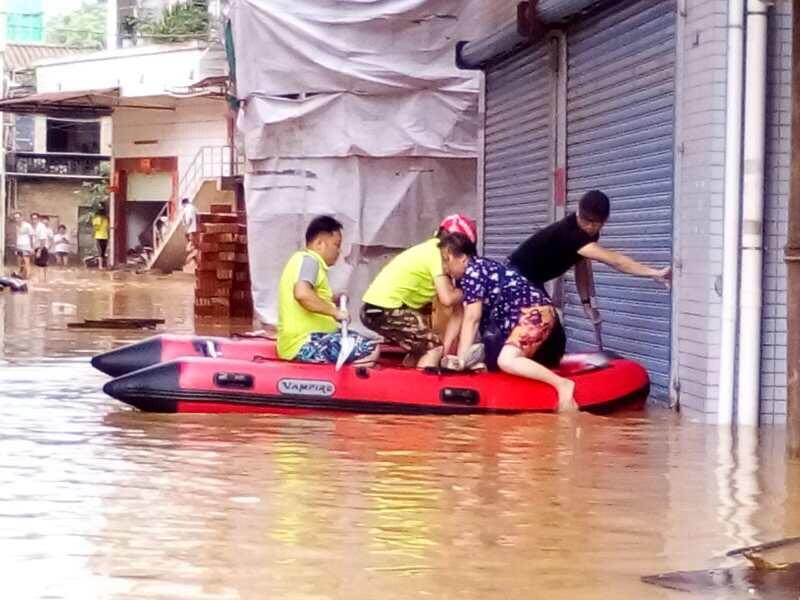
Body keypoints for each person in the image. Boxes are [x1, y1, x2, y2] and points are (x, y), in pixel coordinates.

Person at [507, 189, 673, 365]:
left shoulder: (588, 234)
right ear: (578, 211)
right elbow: (615, 260)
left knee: (552, 336)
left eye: (596, 223)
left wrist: (586, 302)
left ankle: (537, 371)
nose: (590, 227)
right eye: (586, 220)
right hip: (516, 279)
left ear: (605, 220)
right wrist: (654, 272)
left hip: (531, 281)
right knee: (550, 335)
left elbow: (582, 266)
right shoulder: (571, 234)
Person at [439, 232, 577, 412]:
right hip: (522, 320)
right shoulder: (475, 271)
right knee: (482, 357)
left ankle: (562, 384)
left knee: (506, 360)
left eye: (446, 260)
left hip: (535, 314)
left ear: (463, 258)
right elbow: (463, 317)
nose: (444, 267)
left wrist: (462, 362)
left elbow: (472, 319)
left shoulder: (472, 273)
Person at [360, 214, 477, 369]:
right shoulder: (436, 252)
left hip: (376, 308)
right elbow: (447, 298)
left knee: (422, 348)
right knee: (432, 348)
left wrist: (446, 349)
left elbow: (457, 311)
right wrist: (473, 291)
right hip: (386, 309)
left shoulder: (434, 252)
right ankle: (424, 390)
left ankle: (407, 384)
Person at [277, 215, 379, 366]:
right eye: (336, 245)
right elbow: (302, 294)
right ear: (319, 243)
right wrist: (335, 312)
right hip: (304, 342)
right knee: (369, 349)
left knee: (363, 340)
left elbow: (310, 297)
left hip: (312, 337)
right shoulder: (309, 261)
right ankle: (347, 385)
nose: (339, 252)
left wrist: (332, 300)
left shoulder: (306, 263)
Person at [12, 212, 34, 279]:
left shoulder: (27, 225)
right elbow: (16, 236)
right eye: (15, 218)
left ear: (22, 218)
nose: (17, 219)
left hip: (26, 245)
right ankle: (22, 276)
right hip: (19, 246)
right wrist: (15, 247)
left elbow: (31, 236)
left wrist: (31, 247)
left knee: (26, 261)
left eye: (18, 217)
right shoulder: (16, 226)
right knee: (19, 261)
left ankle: (27, 276)